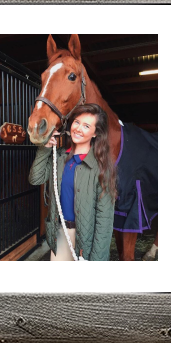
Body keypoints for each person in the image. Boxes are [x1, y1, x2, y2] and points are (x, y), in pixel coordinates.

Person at [29, 103, 117, 261]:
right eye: (77, 122)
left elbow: (105, 220)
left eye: (86, 125)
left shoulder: (101, 168)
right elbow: (36, 179)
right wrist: (45, 148)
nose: (78, 128)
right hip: (60, 234)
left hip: (86, 238)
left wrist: (97, 259)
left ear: (95, 133)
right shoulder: (60, 158)